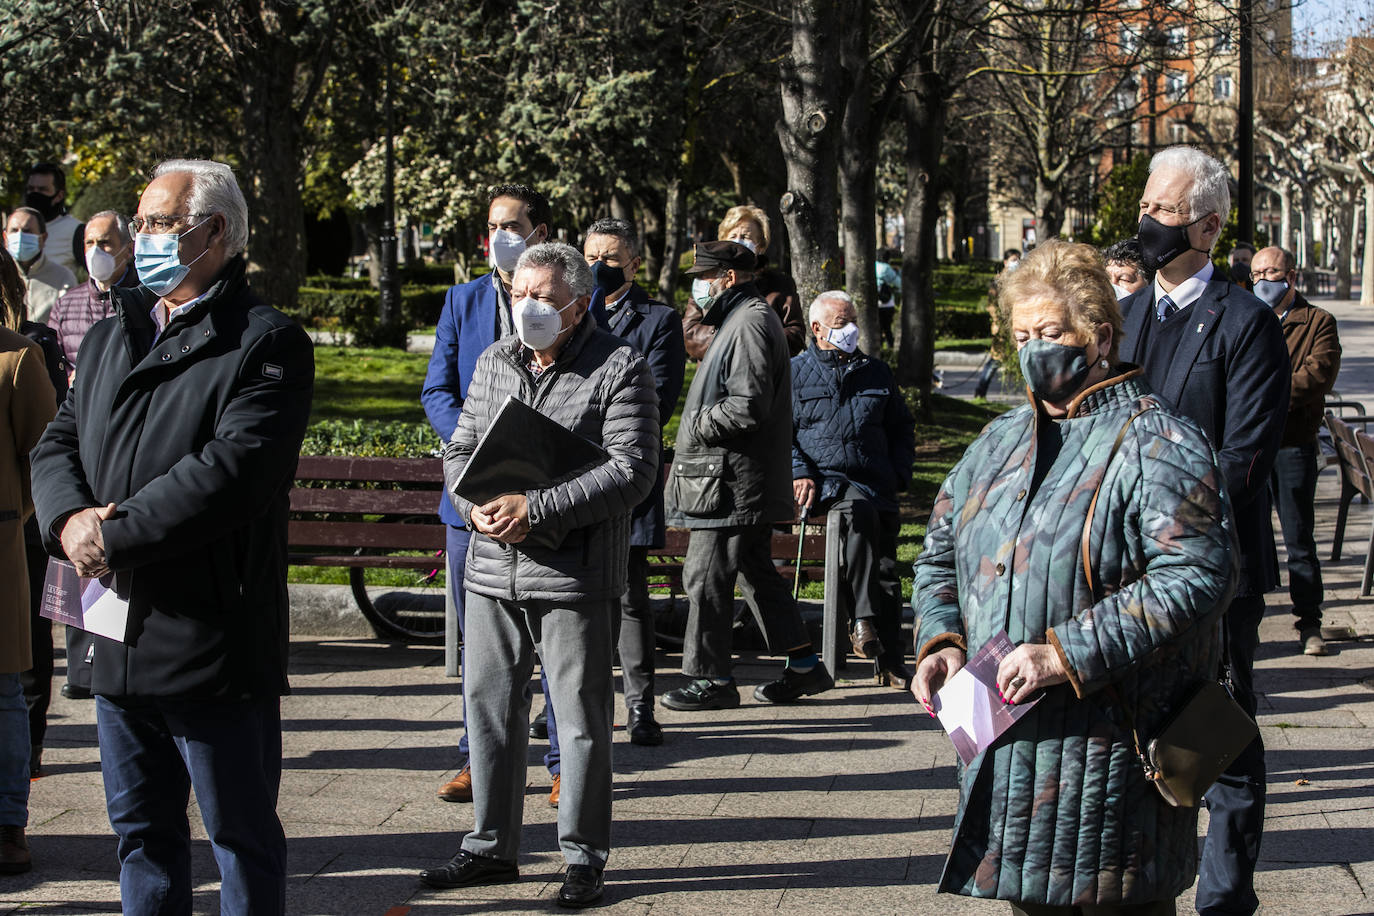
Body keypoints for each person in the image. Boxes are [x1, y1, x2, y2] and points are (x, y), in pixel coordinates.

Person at [912, 239, 1237, 914]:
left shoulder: (1160, 441)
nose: (1036, 350)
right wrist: (941, 639)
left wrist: (1065, 652)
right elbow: (940, 549)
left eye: (1053, 332)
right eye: (1023, 334)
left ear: (1101, 338)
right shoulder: (998, 443)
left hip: (1111, 765)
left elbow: (1199, 573)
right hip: (1010, 756)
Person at [30, 158, 315, 915]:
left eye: (158, 223)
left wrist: (110, 536)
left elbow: (229, 476)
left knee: (239, 835)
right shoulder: (111, 332)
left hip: (208, 637)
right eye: (140, 220)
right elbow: (58, 441)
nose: (137, 236)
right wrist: (66, 519)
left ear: (213, 233)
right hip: (110, 629)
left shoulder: (266, 343)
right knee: (140, 834)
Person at [424, 242, 659, 907]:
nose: (527, 306)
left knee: (580, 723)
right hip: (494, 571)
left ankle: (583, 858)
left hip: (574, 576)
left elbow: (630, 470)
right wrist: (475, 511)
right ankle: (488, 849)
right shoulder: (497, 359)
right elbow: (461, 447)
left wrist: (539, 507)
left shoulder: (621, 366)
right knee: (489, 713)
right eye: (520, 293)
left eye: (544, 298)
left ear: (578, 305)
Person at [1118, 146, 1290, 916]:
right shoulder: (1122, 318)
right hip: (1124, 570)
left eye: (1164, 211)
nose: (1147, 221)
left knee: (1219, 729)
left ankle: (1225, 897)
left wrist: (1165, 527)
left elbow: (1244, 458)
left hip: (1211, 570)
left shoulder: (1246, 322)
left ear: (1209, 226)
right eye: (1146, 207)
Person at [421, 184, 565, 805]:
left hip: (549, 503)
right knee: (482, 652)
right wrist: (481, 455)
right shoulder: (461, 300)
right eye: (491, 227)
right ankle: (477, 761)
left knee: (558, 646)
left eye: (512, 225)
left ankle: (565, 764)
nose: (499, 236)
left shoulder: (570, 299)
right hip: (473, 502)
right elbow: (438, 390)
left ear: (537, 231)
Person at [663, 240, 833, 710]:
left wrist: (695, 424)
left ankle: (712, 679)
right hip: (734, 477)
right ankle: (804, 666)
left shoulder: (751, 322)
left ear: (730, 277)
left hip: (733, 481)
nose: (699, 288)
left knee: (704, 576)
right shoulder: (743, 320)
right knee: (754, 572)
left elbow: (747, 405)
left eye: (706, 277)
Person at [583, 217, 686, 746]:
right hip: (571, 475)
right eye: (591, 256)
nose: (599, 266)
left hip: (624, 472)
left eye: (611, 258)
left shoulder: (660, 320)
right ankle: (568, 705)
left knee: (628, 597)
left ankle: (641, 706)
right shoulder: (571, 314)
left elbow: (660, 400)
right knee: (572, 598)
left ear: (634, 264)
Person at [791, 290, 914, 686]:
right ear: (816, 328)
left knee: (887, 571)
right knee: (856, 513)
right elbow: (781, 434)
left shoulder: (876, 371)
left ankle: (890, 660)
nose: (850, 330)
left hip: (875, 483)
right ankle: (861, 621)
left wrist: (898, 473)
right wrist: (799, 472)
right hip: (825, 486)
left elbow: (901, 427)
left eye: (853, 321)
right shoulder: (794, 373)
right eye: (841, 323)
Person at [1252, 245, 1341, 657]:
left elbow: (1316, 375)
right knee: (1247, 538)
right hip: (1250, 447)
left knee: (1298, 539)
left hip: (1291, 447)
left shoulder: (1318, 322)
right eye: (1256, 273)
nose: (1262, 280)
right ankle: (1248, 622)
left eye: (1271, 272)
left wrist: (1263, 398)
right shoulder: (1246, 318)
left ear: (1291, 277)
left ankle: (1310, 623)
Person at [0, 247, 58, 875]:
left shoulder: (17, 358)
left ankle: (6, 822)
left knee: (2, 691)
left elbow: (45, 460)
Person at [682, 205, 806, 358]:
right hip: (714, 371)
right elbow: (689, 333)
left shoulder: (780, 284)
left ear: (760, 245)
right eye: (732, 236)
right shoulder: (706, 281)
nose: (738, 242)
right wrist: (733, 341)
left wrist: (754, 343)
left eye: (746, 237)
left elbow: (795, 335)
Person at [50, 211, 140, 374]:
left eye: (104, 242)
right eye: (89, 243)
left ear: (128, 250)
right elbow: (55, 362)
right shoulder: (65, 304)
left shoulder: (145, 299)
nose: (95, 251)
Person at [5, 208, 75, 325]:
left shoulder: (63, 278)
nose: (20, 236)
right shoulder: (3, 275)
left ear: (43, 238)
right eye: (14, 230)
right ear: (5, 237)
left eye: (27, 231)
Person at [974, 250, 1023, 399]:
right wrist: (998, 321)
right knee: (995, 360)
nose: (1017, 262)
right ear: (1006, 262)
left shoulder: (1020, 279)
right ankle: (980, 391)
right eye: (1014, 259)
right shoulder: (997, 281)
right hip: (1002, 328)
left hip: (1017, 327)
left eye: (1019, 259)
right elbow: (991, 305)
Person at [24, 163, 83, 276]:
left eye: (42, 190)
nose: (35, 194)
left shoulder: (74, 230)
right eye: (31, 189)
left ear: (59, 195)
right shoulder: (17, 229)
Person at [875, 251, 901, 347]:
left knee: (878, 328)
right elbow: (899, 283)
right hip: (886, 302)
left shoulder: (872, 265)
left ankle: (879, 348)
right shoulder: (886, 268)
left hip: (873, 302)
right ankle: (890, 348)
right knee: (887, 327)